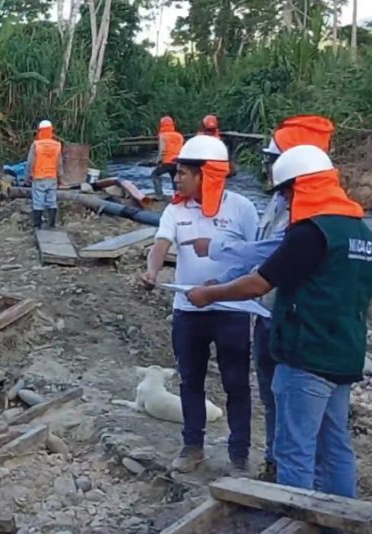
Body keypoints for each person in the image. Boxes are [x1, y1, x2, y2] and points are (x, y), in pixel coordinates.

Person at [186, 145, 372, 497]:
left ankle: (295, 516)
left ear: (301, 186)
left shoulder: (311, 232)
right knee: (335, 449)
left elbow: (260, 282)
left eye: (287, 192)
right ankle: (340, 518)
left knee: (295, 449)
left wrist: (210, 294)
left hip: (307, 355)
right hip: (344, 354)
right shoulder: (362, 233)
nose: (285, 202)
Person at [180, 114, 334, 482]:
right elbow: (261, 256)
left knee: (296, 409)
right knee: (272, 397)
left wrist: (219, 267)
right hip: (268, 317)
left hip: (293, 320)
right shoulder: (280, 202)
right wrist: (228, 276)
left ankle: (295, 483)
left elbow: (268, 257)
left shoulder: (309, 212)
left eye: (273, 157)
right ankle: (274, 465)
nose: (267, 165)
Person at [141, 134, 259, 475]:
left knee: (236, 382)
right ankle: (193, 446)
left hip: (233, 312)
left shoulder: (242, 209)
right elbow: (161, 244)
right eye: (176, 172)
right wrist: (151, 272)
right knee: (189, 380)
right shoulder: (175, 209)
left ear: (206, 175)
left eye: (183, 172)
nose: (176, 178)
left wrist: (226, 286)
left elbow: (256, 256)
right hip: (189, 311)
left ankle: (239, 453)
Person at [25, 120, 63, 229]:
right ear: (51, 131)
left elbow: (30, 162)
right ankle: (51, 224)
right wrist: (60, 177)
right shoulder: (57, 145)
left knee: (38, 201)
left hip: (39, 177)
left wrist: (27, 177)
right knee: (52, 201)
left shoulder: (36, 145)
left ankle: (37, 225)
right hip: (52, 177)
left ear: (40, 131)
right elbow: (59, 164)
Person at [151, 116, 184, 199]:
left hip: (167, 161)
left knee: (155, 174)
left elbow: (163, 151)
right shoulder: (179, 136)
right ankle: (177, 194)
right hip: (178, 161)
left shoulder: (163, 136)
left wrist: (158, 161)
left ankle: (159, 195)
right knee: (175, 178)